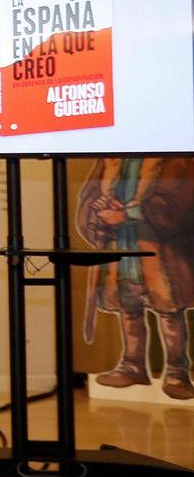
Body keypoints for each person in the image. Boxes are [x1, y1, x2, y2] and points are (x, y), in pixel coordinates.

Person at [78, 157, 194, 400]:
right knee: (127, 304)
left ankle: (177, 372)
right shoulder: (112, 158)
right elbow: (89, 193)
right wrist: (99, 208)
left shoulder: (175, 158)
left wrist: (129, 213)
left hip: (158, 246)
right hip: (120, 242)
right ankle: (132, 365)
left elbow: (180, 199)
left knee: (168, 309)